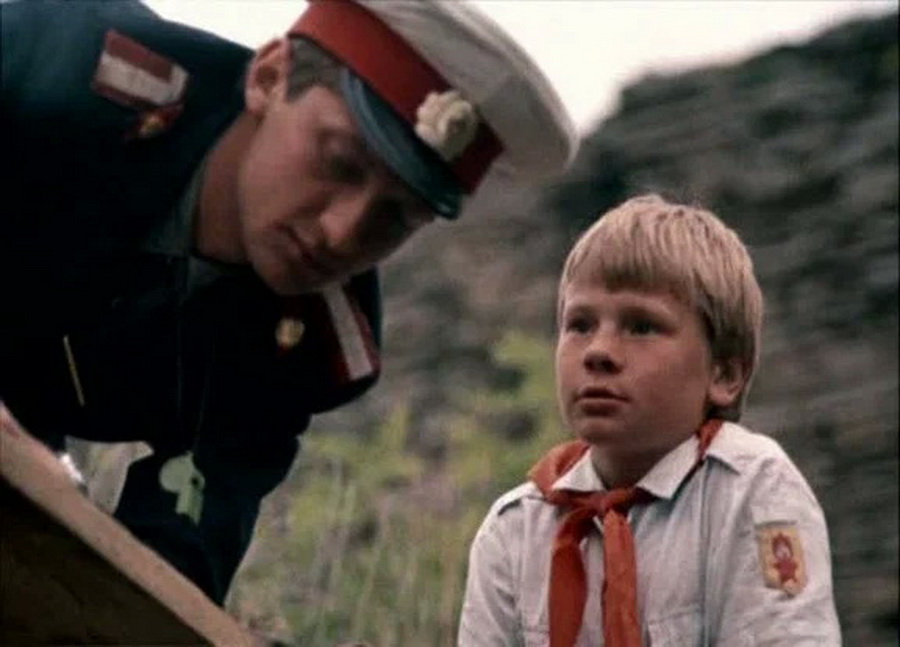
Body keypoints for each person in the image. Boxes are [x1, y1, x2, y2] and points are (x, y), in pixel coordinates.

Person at [0, 0, 576, 605]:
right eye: (339, 163)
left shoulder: (309, 353)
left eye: (395, 217)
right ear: (270, 77)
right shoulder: (58, 68)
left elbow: (173, 565)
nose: (342, 233)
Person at [458, 195, 841, 645]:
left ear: (723, 374)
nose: (598, 351)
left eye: (641, 326)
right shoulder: (514, 533)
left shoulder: (751, 492)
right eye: (579, 324)